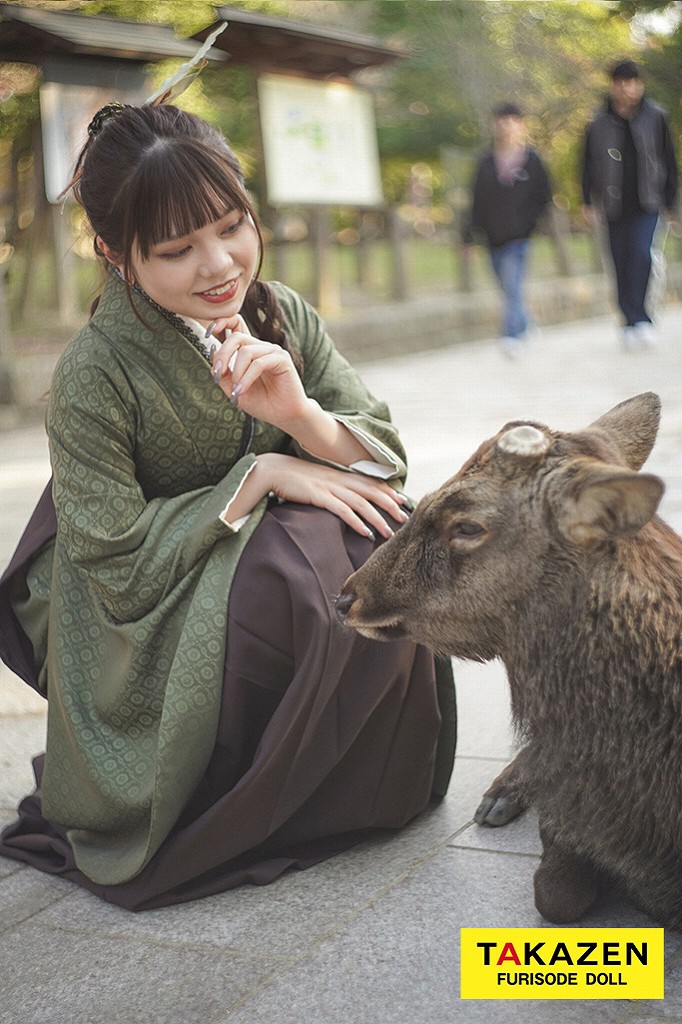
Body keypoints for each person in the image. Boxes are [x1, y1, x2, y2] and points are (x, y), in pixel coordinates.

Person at [0, 102, 456, 911]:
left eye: (230, 226)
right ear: (115, 253)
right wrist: (264, 476)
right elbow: (110, 557)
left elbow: (382, 454)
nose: (218, 265)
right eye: (176, 249)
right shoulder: (93, 375)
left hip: (236, 534)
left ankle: (357, 788)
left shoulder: (278, 311)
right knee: (291, 575)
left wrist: (299, 419)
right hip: (134, 594)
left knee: (379, 542)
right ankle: (255, 799)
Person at [581, 58, 679, 350]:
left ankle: (642, 318)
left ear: (640, 84)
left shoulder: (656, 117)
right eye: (621, 82)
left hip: (649, 201)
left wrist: (671, 201)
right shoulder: (598, 123)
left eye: (633, 81)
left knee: (640, 254)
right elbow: (586, 165)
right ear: (613, 86)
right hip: (612, 204)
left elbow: (669, 161)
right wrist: (587, 201)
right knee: (619, 261)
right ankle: (627, 320)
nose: (627, 88)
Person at [464, 102, 551, 358]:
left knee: (512, 283)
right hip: (492, 238)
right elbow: (476, 202)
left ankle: (511, 336)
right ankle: (524, 323)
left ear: (520, 124)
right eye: (501, 120)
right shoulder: (486, 163)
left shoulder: (532, 161)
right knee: (505, 285)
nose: (505, 125)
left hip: (519, 237)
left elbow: (543, 197)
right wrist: (468, 238)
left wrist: (529, 224)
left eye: (511, 120)